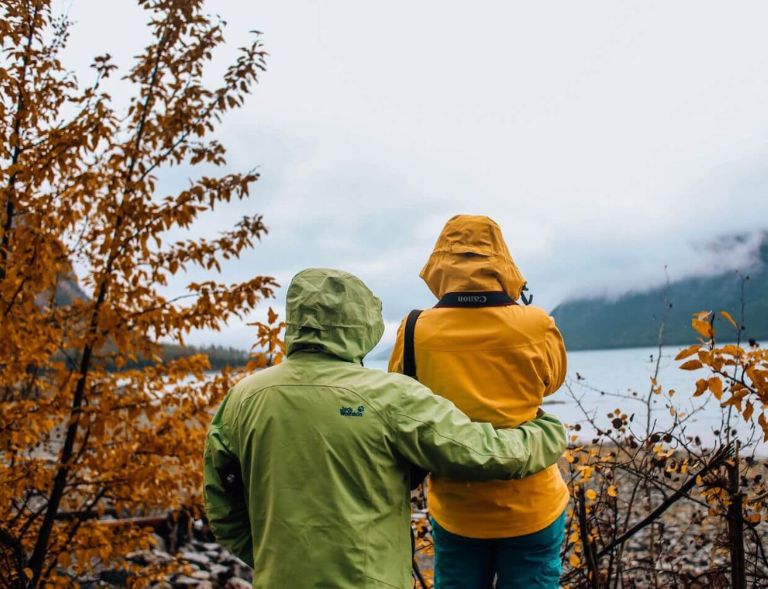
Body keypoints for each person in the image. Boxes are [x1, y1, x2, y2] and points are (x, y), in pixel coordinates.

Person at [204, 267, 567, 589]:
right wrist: (547, 433)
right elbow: (481, 453)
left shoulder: (242, 398)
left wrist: (270, 557)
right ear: (362, 322)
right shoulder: (389, 397)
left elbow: (221, 500)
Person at [389, 215, 569, 589]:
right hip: (533, 504)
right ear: (503, 260)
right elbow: (551, 383)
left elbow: (400, 396)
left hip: (457, 509)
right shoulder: (537, 324)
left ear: (439, 262)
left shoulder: (413, 328)